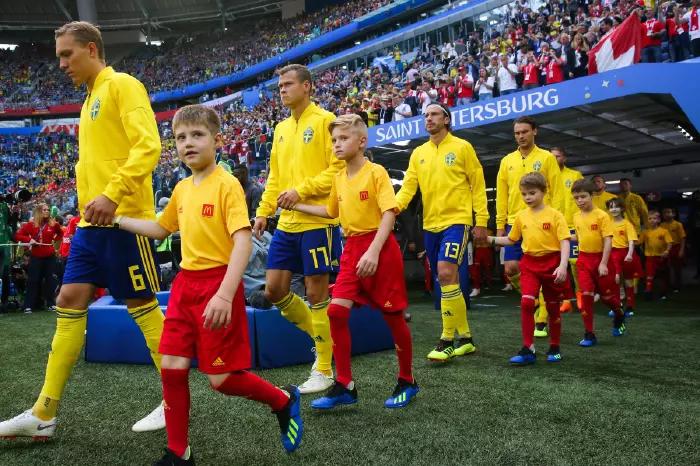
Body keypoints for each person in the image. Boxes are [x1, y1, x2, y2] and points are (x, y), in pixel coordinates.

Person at [0, 21, 165, 440]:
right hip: (92, 225)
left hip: (126, 220)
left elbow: (149, 146)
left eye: (66, 54)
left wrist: (112, 194)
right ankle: (44, 411)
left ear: (91, 49)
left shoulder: (123, 85)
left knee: (142, 304)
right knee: (68, 298)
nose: (60, 64)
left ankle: (173, 399)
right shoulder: (89, 99)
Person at [114, 105, 303, 464]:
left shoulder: (227, 184)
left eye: (197, 135)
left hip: (218, 286)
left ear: (217, 140)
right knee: (170, 367)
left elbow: (243, 242)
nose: (188, 143)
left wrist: (224, 293)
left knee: (222, 380)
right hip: (186, 285)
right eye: (181, 138)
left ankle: (283, 399)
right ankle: (178, 453)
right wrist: (119, 219)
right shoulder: (182, 188)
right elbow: (160, 228)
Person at [287, 114, 418, 410]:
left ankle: (407, 380)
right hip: (351, 251)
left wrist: (373, 251)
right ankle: (345, 384)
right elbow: (331, 211)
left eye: (343, 139)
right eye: (334, 140)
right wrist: (298, 204)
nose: (337, 144)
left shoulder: (377, 173)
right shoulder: (337, 178)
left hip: (379, 248)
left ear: (362, 142)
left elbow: (389, 213)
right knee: (335, 311)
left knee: (393, 317)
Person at [253, 64, 343, 394]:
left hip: (318, 221)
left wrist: (301, 191)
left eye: (288, 84)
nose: (282, 90)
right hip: (286, 224)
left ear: (307, 87)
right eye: (280, 86)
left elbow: (337, 169)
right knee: (275, 290)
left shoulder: (325, 121)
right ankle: (324, 342)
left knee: (317, 293)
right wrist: (264, 212)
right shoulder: (280, 129)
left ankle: (323, 368)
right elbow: (275, 177)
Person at [395, 102, 488, 362]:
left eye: (434, 114)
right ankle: (466, 339)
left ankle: (446, 340)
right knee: (447, 281)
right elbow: (408, 188)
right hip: (430, 225)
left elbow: (478, 185)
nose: (428, 118)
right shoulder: (418, 153)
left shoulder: (462, 147)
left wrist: (480, 220)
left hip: (456, 221)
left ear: (446, 119)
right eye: (425, 115)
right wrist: (393, 208)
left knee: (447, 273)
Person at [490, 172, 570, 365]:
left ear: (544, 191)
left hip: (552, 264)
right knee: (526, 303)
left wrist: (562, 266)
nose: (527, 197)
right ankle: (528, 349)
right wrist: (489, 239)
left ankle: (555, 346)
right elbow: (511, 239)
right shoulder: (520, 216)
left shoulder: (555, 215)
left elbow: (564, 241)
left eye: (532, 193)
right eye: (524, 194)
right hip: (530, 264)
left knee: (552, 308)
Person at [496, 116, 563, 338]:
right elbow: (502, 195)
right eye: (517, 133)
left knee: (544, 273)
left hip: (543, 223)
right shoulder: (507, 161)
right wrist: (499, 226)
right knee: (510, 269)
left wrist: (557, 221)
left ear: (535, 131)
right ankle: (535, 302)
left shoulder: (546, 158)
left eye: (525, 131)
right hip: (515, 222)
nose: (521, 136)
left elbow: (557, 191)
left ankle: (542, 316)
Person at [571, 179, 627, 348]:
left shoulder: (602, 216)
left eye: (583, 197)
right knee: (586, 296)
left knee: (607, 298)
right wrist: (563, 237)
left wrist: (603, 263)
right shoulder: (575, 216)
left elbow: (608, 240)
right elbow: (580, 237)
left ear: (592, 196)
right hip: (584, 261)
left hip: (602, 260)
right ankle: (589, 334)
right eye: (576, 198)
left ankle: (619, 314)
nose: (580, 201)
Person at [14, 203, 63, 313]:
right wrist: (29, 240)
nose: (47, 211)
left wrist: (55, 243)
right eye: (44, 210)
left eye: (48, 210)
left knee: (50, 280)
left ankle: (51, 304)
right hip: (36, 257)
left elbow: (60, 233)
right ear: (38, 211)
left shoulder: (53, 224)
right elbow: (17, 236)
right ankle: (28, 305)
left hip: (50, 256)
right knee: (33, 280)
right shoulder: (30, 225)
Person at [553, 147, 583, 313]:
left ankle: (580, 295)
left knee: (575, 264)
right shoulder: (545, 177)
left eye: (557, 156)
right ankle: (565, 299)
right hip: (554, 227)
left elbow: (583, 196)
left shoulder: (575, 175)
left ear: (564, 158)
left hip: (573, 225)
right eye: (551, 157)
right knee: (558, 265)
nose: (554, 159)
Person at [607, 198, 643, 317]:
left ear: (622, 208)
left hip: (626, 253)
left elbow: (631, 241)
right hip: (612, 254)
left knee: (628, 281)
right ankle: (617, 307)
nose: (614, 209)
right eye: (611, 207)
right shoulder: (607, 223)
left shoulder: (627, 224)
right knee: (615, 280)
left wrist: (629, 254)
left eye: (616, 206)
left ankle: (630, 306)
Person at [639, 210, 672, 300]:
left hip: (661, 257)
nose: (652, 220)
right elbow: (638, 242)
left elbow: (669, 242)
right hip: (650, 257)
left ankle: (663, 293)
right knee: (649, 275)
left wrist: (667, 251)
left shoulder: (664, 231)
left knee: (662, 275)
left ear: (659, 220)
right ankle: (648, 292)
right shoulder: (645, 232)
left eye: (654, 218)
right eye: (650, 218)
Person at [660, 207, 686, 292]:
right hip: (666, 248)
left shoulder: (678, 224)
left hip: (676, 247)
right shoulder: (661, 225)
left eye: (669, 212)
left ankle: (677, 286)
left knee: (677, 268)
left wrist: (681, 250)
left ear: (673, 214)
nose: (666, 214)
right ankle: (667, 285)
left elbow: (683, 238)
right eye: (664, 213)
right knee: (666, 267)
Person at [469, 229, 494, 298]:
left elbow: (492, 243)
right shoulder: (474, 230)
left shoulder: (489, 231)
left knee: (488, 269)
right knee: (476, 269)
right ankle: (476, 287)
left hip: (487, 251)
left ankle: (488, 284)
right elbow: (473, 242)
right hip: (478, 251)